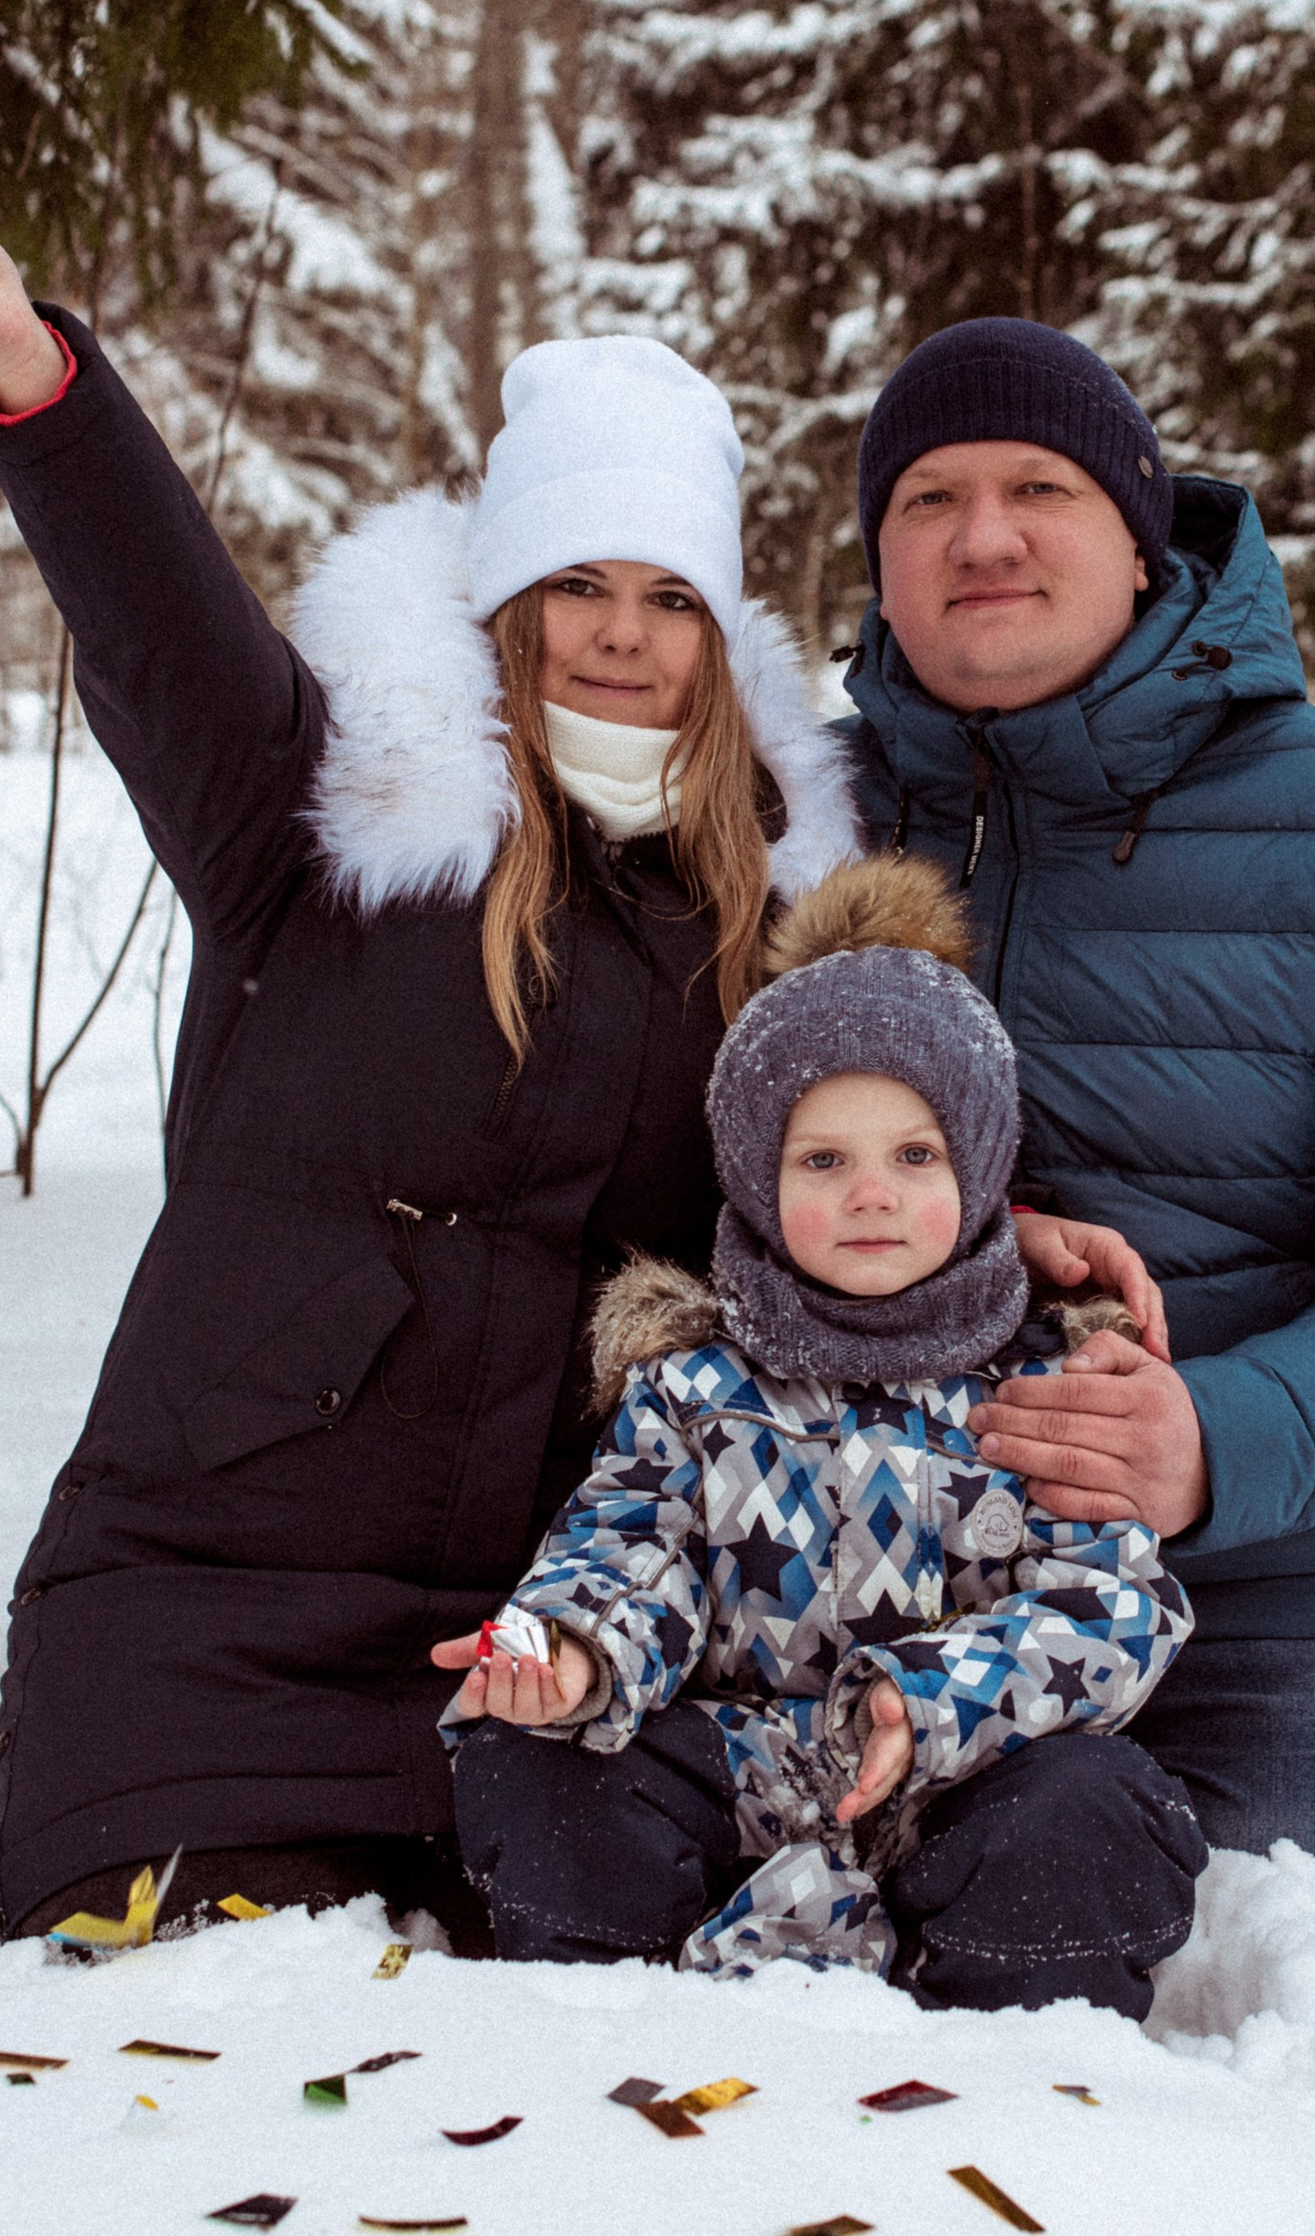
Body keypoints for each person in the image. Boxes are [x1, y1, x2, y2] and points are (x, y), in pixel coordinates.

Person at [0, 166, 1152, 1943]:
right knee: (181, 2006)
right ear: (506, 592)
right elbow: (159, 624)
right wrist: (36, 376)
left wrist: (995, 1229)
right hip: (221, 1573)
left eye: (670, 594)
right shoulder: (331, 812)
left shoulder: (770, 906)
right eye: (577, 581)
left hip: (547, 1615)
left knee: (537, 2021)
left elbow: (860, 1149)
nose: (625, 633)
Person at [839, 317, 1315, 1944]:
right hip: (850, 1589)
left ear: (1141, 531)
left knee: (1291, 2033)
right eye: (928, 499)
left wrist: (1210, 1446)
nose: (984, 535)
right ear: (878, 554)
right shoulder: (786, 821)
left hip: (1266, 1617)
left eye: (1040, 487)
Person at [437, 860, 1206, 2019]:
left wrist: (928, 1701)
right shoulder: (694, 1386)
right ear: (755, 1174)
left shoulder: (1044, 1378)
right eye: (822, 1160)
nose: (871, 1197)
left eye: (914, 1156)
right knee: (534, 1771)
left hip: (962, 1776)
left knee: (1091, 1806)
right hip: (740, 1773)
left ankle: (1017, 2026)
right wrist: (576, 1655)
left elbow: (1112, 1607)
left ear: (980, 1165)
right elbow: (629, 1543)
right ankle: (603, 2012)